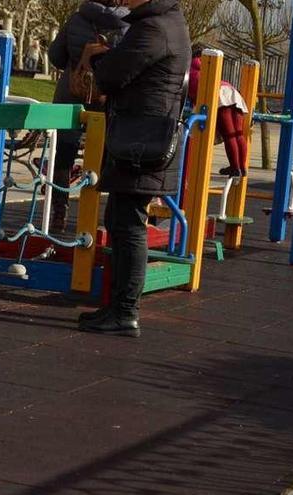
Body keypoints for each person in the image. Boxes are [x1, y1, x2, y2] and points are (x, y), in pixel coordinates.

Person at [78, 0, 191, 337]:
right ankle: (117, 306)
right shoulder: (165, 23)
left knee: (128, 225)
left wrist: (97, 56)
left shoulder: (154, 28)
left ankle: (126, 311)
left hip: (142, 141)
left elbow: (113, 76)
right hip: (143, 137)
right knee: (121, 220)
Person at [48, 0, 129, 233]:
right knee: (107, 156)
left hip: (70, 95)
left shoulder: (77, 18)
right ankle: (97, 216)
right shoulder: (128, 23)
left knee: (63, 156)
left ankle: (59, 213)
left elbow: (56, 56)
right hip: (106, 97)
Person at [188, 46, 250, 177]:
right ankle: (242, 166)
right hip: (231, 92)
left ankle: (235, 167)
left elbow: (192, 91)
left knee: (229, 135)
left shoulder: (190, 69)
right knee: (237, 133)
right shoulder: (208, 64)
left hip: (218, 96)